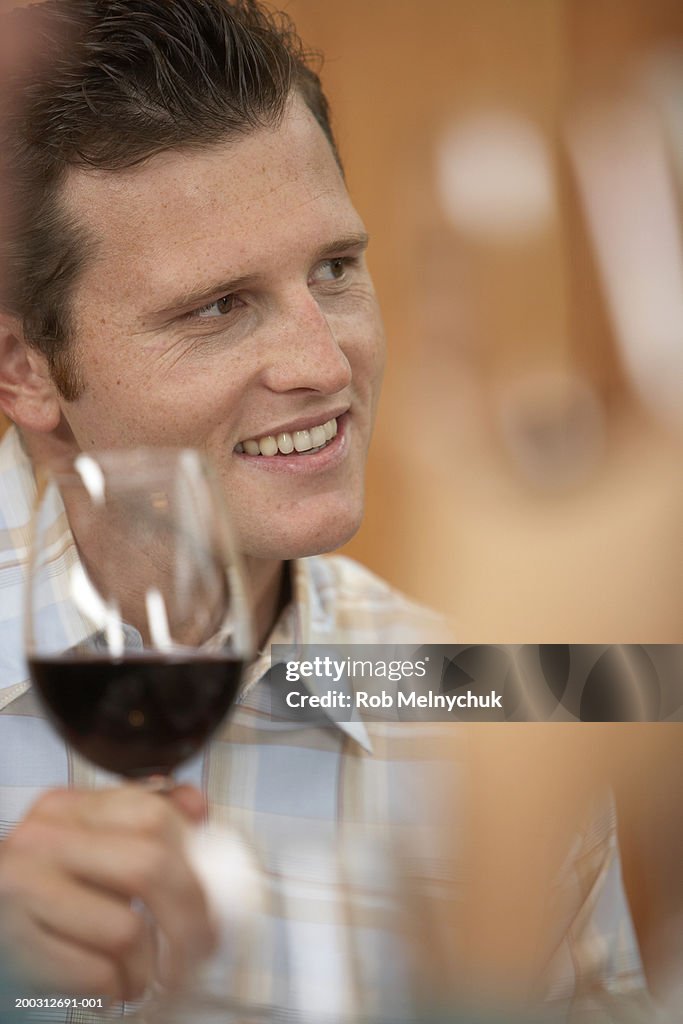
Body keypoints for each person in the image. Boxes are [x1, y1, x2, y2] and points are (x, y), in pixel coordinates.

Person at [0, 1, 651, 1021]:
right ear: (25, 369)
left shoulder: (506, 709)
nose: (321, 365)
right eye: (217, 306)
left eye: (334, 270)